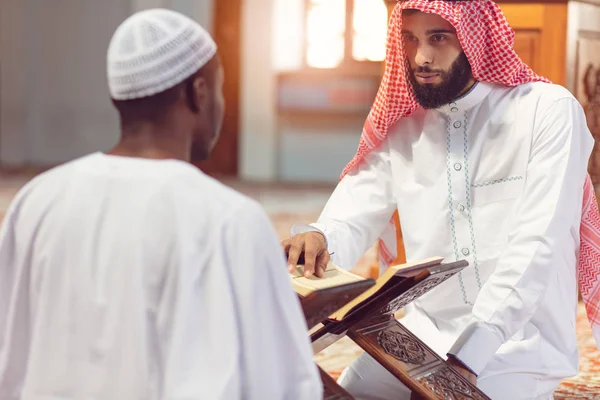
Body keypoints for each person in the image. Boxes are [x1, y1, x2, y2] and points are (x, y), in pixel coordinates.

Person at [283, 0, 600, 399]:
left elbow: (538, 244)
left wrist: (469, 357)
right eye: (410, 39)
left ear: (473, 39)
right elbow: (354, 210)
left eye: (439, 38)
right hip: (423, 330)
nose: (422, 58)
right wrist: (320, 237)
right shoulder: (404, 125)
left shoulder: (547, 112)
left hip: (516, 342)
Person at [0, 9, 322, 400]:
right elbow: (281, 385)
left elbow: (9, 356)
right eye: (220, 88)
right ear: (197, 92)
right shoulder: (229, 220)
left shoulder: (38, 200)